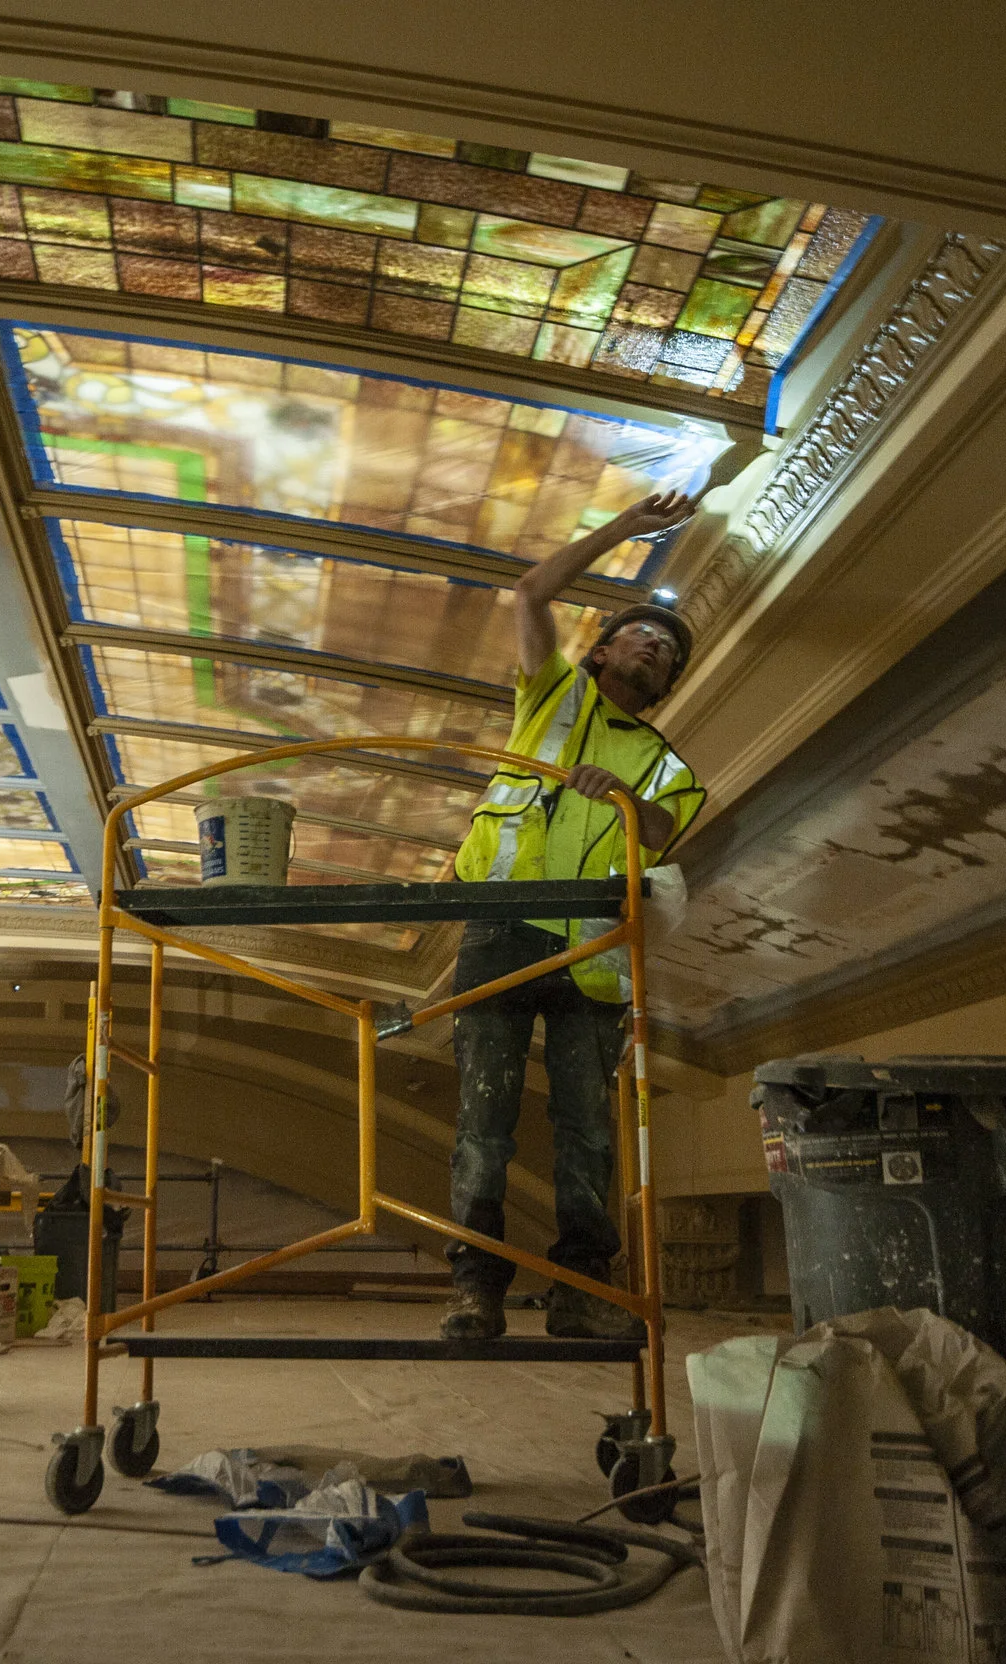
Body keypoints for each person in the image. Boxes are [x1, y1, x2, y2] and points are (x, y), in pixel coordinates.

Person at [440, 482, 708, 1342]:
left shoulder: (668, 766)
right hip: (503, 927)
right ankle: (475, 1288)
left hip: (592, 954)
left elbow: (666, 830)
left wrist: (627, 798)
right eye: (641, 635)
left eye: (666, 653)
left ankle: (580, 1291)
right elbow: (528, 592)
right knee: (484, 1121)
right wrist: (629, 527)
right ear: (600, 652)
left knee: (587, 1134)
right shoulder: (549, 697)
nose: (654, 651)